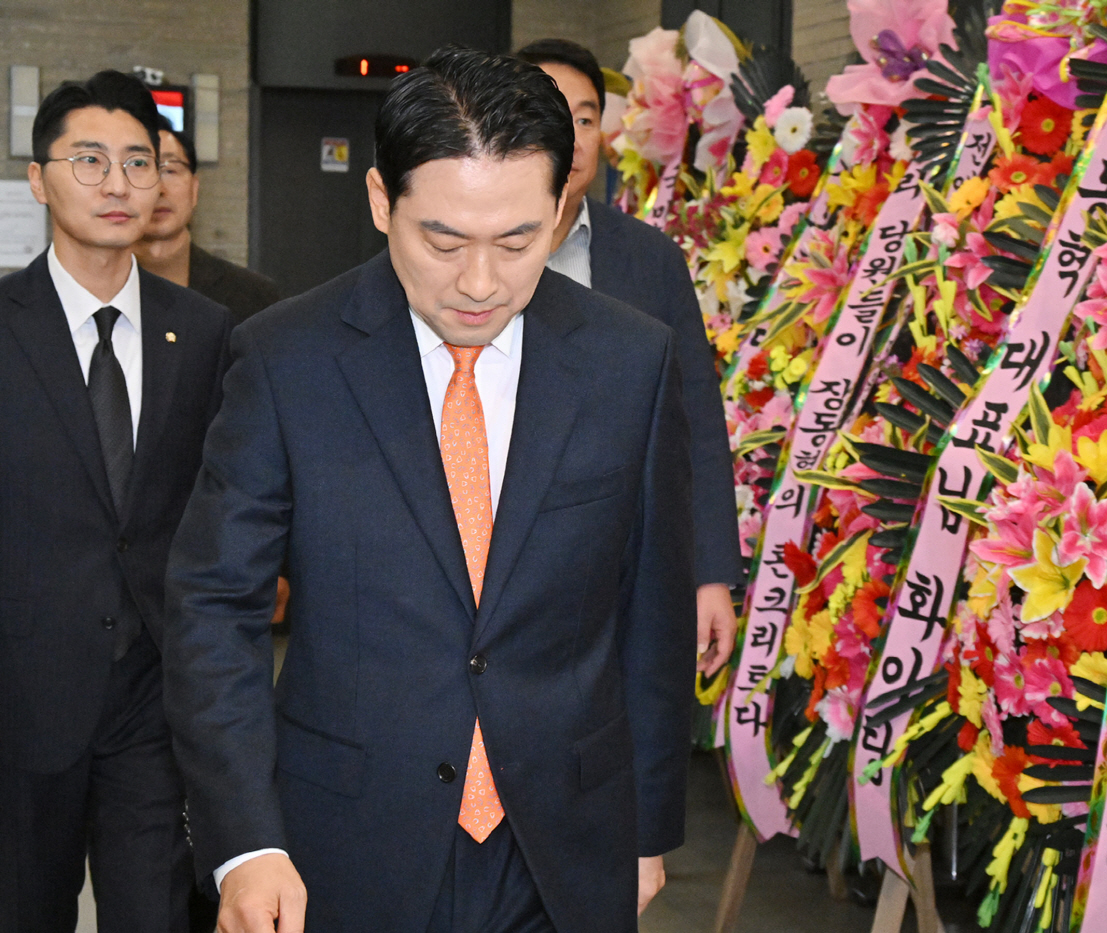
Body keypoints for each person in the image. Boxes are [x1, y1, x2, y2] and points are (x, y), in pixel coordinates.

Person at [162, 48, 695, 933]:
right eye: (443, 242)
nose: (480, 283)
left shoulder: (629, 359)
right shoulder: (288, 360)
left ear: (561, 204)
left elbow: (653, 610)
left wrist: (646, 828)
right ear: (382, 202)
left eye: (518, 241)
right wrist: (246, 841)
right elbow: (214, 607)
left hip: (565, 841)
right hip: (346, 839)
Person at [0, 70, 232, 932]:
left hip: (153, 695)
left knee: (155, 912)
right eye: (90, 160)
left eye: (141, 162)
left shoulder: (203, 331)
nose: (119, 183)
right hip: (22, 698)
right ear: (39, 179)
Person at [517, 39, 742, 677]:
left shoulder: (652, 261)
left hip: (625, 573)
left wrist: (710, 574)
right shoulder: (464, 257)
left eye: (585, 118)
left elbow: (695, 421)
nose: (570, 137)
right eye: (546, 114)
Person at [134, 119, 281, 323]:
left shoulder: (254, 295)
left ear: (194, 189)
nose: (159, 189)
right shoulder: (94, 289)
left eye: (170, 171)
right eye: (140, 168)